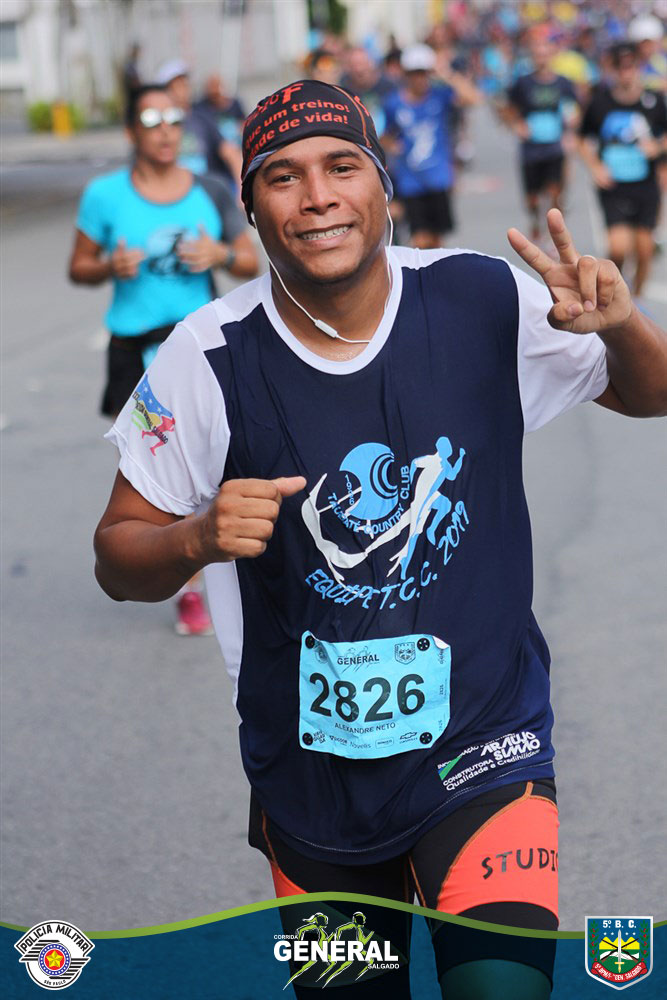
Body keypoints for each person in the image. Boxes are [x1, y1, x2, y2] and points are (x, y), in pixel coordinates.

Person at [93, 79, 667, 998]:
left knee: (503, 987)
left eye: (341, 166)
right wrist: (195, 538)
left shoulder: (479, 295)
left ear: (382, 184)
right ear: (250, 208)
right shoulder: (206, 355)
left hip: (485, 746)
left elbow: (648, 392)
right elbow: (118, 555)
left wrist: (622, 324)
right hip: (310, 784)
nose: (316, 197)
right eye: (282, 177)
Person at [70, 83, 258, 634]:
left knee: (209, 463)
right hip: (133, 350)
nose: (165, 131)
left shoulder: (210, 190)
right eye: (152, 121)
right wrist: (109, 267)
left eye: (174, 120)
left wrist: (219, 254)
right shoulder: (104, 196)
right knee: (152, 476)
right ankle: (183, 581)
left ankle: (207, 577)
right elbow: (79, 266)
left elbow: (249, 261)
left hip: (198, 351)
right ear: (132, 131)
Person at [579, 42, 667, 297]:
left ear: (639, 67)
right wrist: (595, 167)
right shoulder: (600, 102)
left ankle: (636, 301)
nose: (626, 73)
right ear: (612, 69)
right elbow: (581, 138)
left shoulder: (654, 101)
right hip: (613, 185)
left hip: (645, 184)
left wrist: (657, 147)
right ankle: (614, 295)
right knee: (618, 248)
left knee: (644, 250)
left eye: (631, 66)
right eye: (620, 67)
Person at [382, 43, 481, 248]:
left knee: (437, 240)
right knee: (420, 238)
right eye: (414, 73)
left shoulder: (440, 96)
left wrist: (446, 73)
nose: (420, 79)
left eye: (424, 73)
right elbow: (384, 136)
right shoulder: (393, 103)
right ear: (406, 75)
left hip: (438, 178)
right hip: (410, 181)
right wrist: (392, 145)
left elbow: (474, 98)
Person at [504, 27, 579, 243]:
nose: (542, 58)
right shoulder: (523, 83)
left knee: (555, 192)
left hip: (554, 145)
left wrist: (571, 128)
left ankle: (555, 235)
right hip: (531, 147)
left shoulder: (563, 83)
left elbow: (574, 108)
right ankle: (535, 220)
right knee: (533, 199)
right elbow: (508, 108)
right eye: (537, 54)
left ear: (552, 55)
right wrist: (517, 124)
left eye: (545, 53)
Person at [156, 59, 242, 188]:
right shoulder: (159, 124)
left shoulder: (202, 118)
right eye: (175, 86)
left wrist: (241, 188)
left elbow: (230, 153)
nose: (182, 90)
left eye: (184, 84)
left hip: (204, 189)